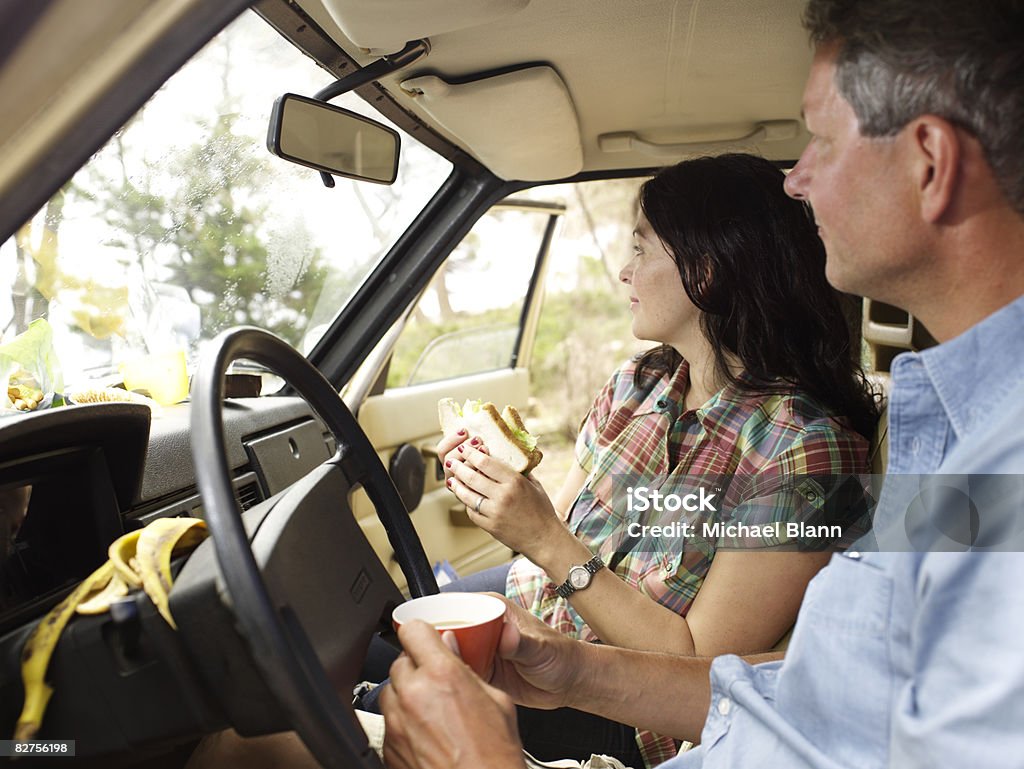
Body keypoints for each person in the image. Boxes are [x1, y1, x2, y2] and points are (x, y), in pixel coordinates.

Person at [379, 0, 1024, 767]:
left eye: (819, 139)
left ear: (928, 162)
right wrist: (575, 669)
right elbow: (833, 700)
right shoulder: (945, 432)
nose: (797, 181)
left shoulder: (873, 453)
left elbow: (715, 662)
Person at [361, 152, 877, 767]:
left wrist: (543, 537)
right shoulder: (641, 382)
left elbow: (697, 665)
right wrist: (497, 494)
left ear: (704, 273)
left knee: (371, 689)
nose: (624, 274)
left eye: (640, 251)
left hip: (624, 715)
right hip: (539, 610)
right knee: (369, 635)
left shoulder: (806, 452)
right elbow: (566, 522)